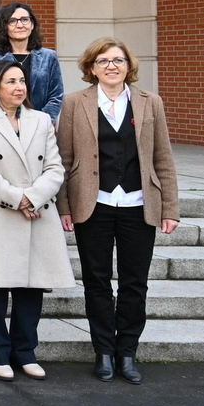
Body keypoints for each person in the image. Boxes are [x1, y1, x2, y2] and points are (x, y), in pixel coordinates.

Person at [56, 38, 179, 386]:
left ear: (129, 66)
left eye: (119, 60)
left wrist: (169, 206)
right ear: (91, 67)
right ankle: (104, 352)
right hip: (92, 205)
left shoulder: (149, 102)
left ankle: (127, 352)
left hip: (139, 206)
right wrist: (64, 206)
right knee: (96, 282)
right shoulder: (74, 103)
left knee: (134, 284)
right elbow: (64, 160)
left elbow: (163, 158)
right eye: (104, 60)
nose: (112, 65)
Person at [0, 59, 71, 381]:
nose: (18, 87)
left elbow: (55, 168)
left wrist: (33, 197)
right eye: (10, 82)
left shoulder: (41, 120)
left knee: (31, 288)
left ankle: (25, 351)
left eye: (21, 80)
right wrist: (16, 198)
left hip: (37, 212)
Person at [0, 2, 64, 121]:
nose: (20, 25)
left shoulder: (49, 56)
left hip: (41, 123)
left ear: (32, 24)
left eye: (25, 19)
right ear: (4, 26)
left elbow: (56, 95)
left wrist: (42, 121)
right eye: (12, 21)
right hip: (3, 123)